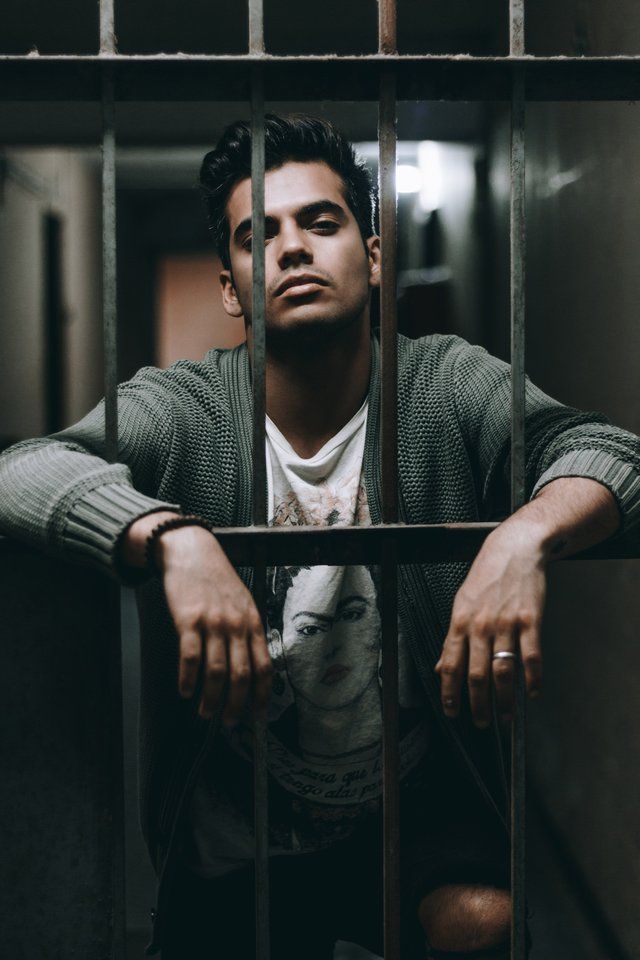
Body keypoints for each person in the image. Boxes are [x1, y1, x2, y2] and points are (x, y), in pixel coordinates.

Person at [1, 114, 639, 960]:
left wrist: (524, 538)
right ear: (231, 288)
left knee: (485, 924)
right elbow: (24, 468)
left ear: (373, 258)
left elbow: (607, 451)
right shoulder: (185, 408)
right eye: (258, 235)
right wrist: (172, 539)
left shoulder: (443, 383)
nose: (293, 248)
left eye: (320, 222)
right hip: (236, 824)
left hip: (414, 809)